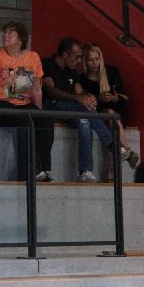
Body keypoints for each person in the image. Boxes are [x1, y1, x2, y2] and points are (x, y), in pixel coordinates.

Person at [0, 22, 55, 181]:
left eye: (10, 33)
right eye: (4, 32)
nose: (5, 35)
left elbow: (36, 90)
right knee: (23, 120)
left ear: (21, 39)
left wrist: (38, 114)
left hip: (23, 103)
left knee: (45, 120)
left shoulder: (33, 57)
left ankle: (42, 169)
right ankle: (26, 172)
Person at [41, 37, 115, 182]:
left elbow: (80, 92)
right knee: (83, 107)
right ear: (65, 55)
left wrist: (90, 97)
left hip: (71, 110)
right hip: (51, 107)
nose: (80, 61)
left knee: (84, 120)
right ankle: (112, 145)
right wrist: (78, 99)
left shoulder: (72, 72)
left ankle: (85, 171)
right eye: (77, 57)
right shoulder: (47, 64)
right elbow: (50, 90)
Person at [80, 43, 140, 173]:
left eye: (97, 59)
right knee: (110, 114)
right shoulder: (83, 79)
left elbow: (123, 98)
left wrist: (114, 97)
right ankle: (127, 151)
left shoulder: (111, 71)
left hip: (114, 111)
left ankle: (114, 170)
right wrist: (99, 98)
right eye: (90, 60)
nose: (94, 63)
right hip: (97, 113)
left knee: (112, 116)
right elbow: (87, 102)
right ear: (85, 62)